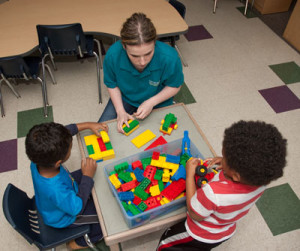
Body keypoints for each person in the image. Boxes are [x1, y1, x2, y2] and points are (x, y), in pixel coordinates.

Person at [157, 120, 287, 251]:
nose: (221, 159)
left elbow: (194, 212)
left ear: (236, 175)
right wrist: (227, 164)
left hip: (198, 234)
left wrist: (189, 175)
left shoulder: (213, 193)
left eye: (224, 158)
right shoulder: (261, 182)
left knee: (166, 242)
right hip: (225, 230)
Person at [25, 121, 108, 249]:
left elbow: (64, 132)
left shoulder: (37, 158)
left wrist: (89, 125)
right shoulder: (55, 190)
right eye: (70, 148)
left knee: (95, 171)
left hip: (63, 191)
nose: (70, 147)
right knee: (104, 218)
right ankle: (77, 243)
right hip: (65, 217)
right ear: (58, 162)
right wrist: (87, 178)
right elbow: (77, 208)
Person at [98, 12, 184, 133]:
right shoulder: (113, 56)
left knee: (161, 138)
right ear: (124, 46)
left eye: (148, 53)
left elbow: (175, 85)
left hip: (158, 100)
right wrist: (120, 111)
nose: (142, 62)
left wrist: (151, 102)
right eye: (134, 55)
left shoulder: (169, 57)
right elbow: (112, 84)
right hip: (125, 99)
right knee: (102, 132)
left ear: (155, 43)